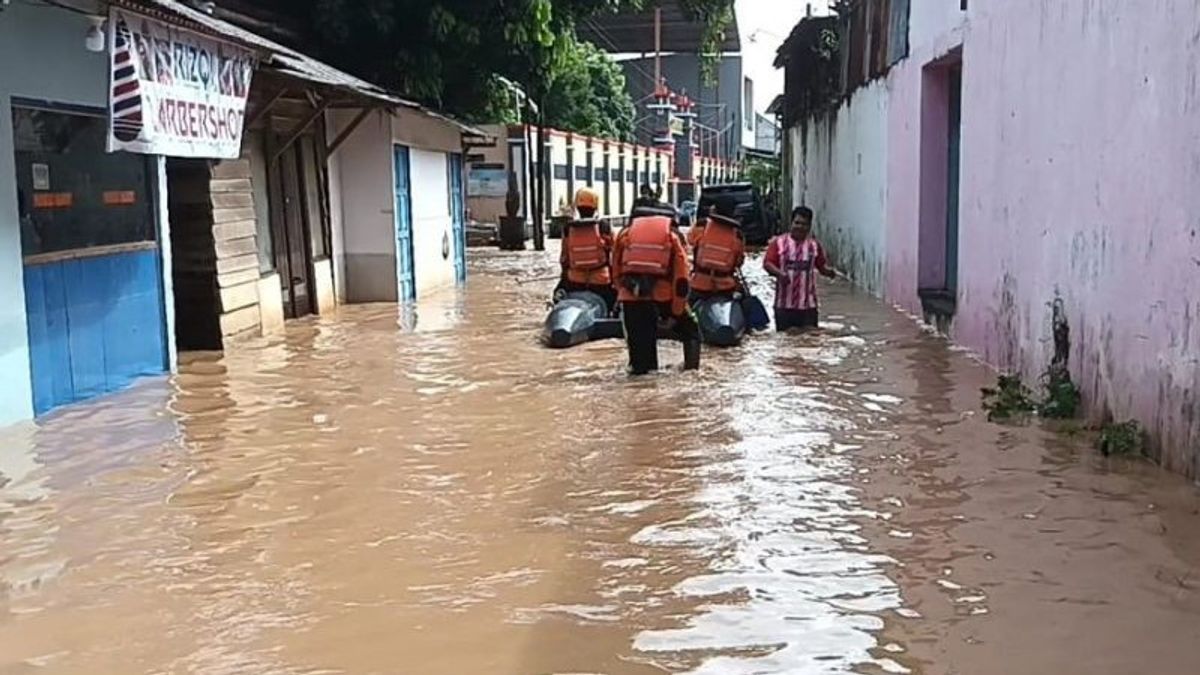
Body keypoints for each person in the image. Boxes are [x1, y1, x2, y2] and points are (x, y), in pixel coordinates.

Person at [612, 210, 701, 374]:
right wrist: (676, 312)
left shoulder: (624, 235)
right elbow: (682, 280)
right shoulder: (671, 237)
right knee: (692, 331)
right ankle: (691, 374)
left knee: (641, 362)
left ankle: (641, 388)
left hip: (631, 299)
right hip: (664, 297)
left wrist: (627, 293)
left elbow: (615, 273)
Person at [764, 206, 837, 331]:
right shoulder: (778, 243)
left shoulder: (814, 246)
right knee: (785, 342)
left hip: (808, 306)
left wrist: (829, 273)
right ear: (791, 223)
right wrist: (780, 274)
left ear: (809, 227)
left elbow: (821, 267)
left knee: (809, 342)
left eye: (804, 224)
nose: (800, 227)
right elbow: (767, 263)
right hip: (784, 306)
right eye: (797, 223)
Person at [557, 187, 616, 311]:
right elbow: (614, 254)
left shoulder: (568, 228)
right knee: (617, 301)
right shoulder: (603, 226)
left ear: (577, 208)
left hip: (575, 283)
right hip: (601, 283)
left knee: (557, 294)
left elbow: (564, 259)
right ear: (595, 207)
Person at [689, 196, 745, 298]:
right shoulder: (737, 235)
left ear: (715, 209)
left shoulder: (702, 225)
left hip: (699, 284)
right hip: (726, 287)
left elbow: (690, 241)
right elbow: (739, 262)